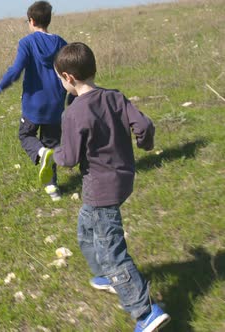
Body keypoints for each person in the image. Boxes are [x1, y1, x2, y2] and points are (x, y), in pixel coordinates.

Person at [49, 42, 170, 332]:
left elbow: (68, 159)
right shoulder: (115, 97)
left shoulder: (73, 113)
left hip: (100, 189)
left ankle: (145, 313)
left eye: (59, 79)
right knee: (85, 229)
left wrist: (50, 154)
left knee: (112, 252)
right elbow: (144, 125)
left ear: (67, 78)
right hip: (122, 179)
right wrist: (145, 143)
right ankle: (104, 276)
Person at [0, 1, 68, 201]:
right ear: (48, 20)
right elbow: (69, 70)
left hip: (34, 104)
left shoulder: (26, 43)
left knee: (26, 134)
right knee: (51, 144)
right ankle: (53, 189)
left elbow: (17, 69)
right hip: (55, 103)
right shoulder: (61, 43)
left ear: (32, 21)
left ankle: (39, 152)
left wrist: (2, 84)